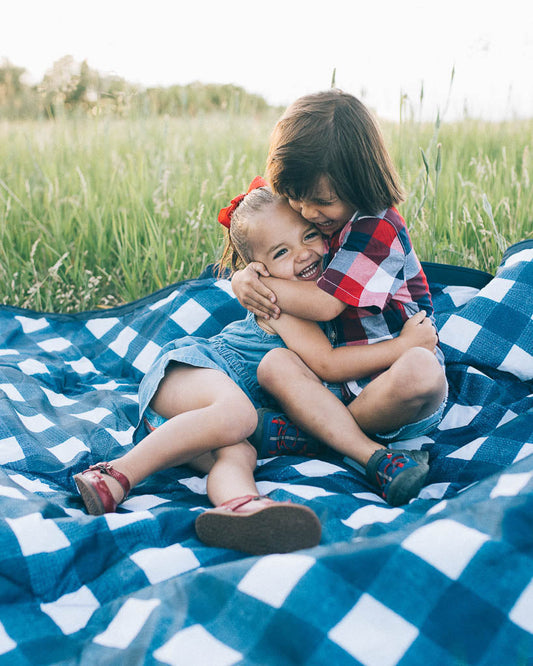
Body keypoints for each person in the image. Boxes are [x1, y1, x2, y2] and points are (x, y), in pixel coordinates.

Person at [74, 179, 437, 557]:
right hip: (193, 372)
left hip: (193, 431)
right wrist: (402, 347)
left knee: (239, 454)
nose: (303, 254)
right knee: (238, 416)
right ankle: (113, 475)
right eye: (282, 251)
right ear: (258, 271)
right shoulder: (279, 303)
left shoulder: (323, 287)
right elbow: (329, 365)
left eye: (310, 235)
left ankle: (244, 509)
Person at [231, 90, 449, 493]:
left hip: (396, 380)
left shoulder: (377, 228)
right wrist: (242, 275)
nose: (307, 212)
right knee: (274, 365)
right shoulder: (328, 223)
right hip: (340, 383)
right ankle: (332, 428)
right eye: (296, 199)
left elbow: (325, 305)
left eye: (321, 202)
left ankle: (314, 435)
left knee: (422, 370)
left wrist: (255, 283)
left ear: (360, 180)